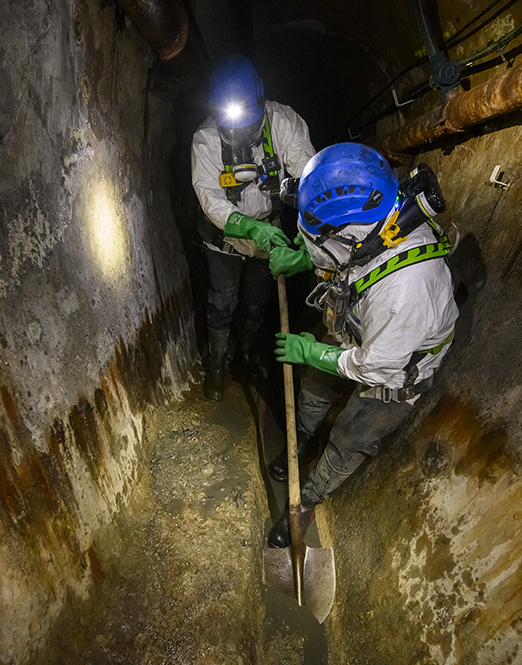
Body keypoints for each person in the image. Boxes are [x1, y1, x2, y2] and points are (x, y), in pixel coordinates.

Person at [267, 142, 459, 548]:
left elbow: (377, 366)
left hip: (395, 369)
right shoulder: (376, 221)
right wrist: (302, 260)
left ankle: (309, 498)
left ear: (346, 233)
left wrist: (312, 352)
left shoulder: (408, 288)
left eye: (314, 239)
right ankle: (299, 442)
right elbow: (346, 259)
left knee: (351, 435)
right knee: (313, 389)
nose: (312, 246)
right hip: (358, 329)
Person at [191, 54, 316, 400]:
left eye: (249, 121)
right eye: (233, 123)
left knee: (256, 302)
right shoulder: (205, 140)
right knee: (223, 300)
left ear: (262, 100)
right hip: (225, 238)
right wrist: (248, 228)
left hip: (268, 233)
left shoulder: (282, 122)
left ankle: (244, 356)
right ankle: (216, 362)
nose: (242, 130)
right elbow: (210, 199)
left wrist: (308, 232)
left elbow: (311, 177)